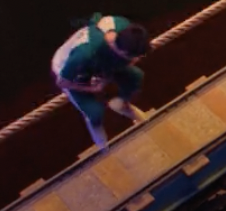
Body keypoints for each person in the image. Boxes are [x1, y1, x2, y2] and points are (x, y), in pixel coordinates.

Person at [51, 13, 152, 151]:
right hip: (74, 70)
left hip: (104, 59)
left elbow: (97, 17)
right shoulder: (84, 53)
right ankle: (102, 145)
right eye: (134, 57)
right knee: (95, 113)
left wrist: (106, 78)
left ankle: (122, 105)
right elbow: (62, 82)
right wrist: (91, 89)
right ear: (122, 52)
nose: (137, 60)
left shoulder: (123, 27)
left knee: (135, 76)